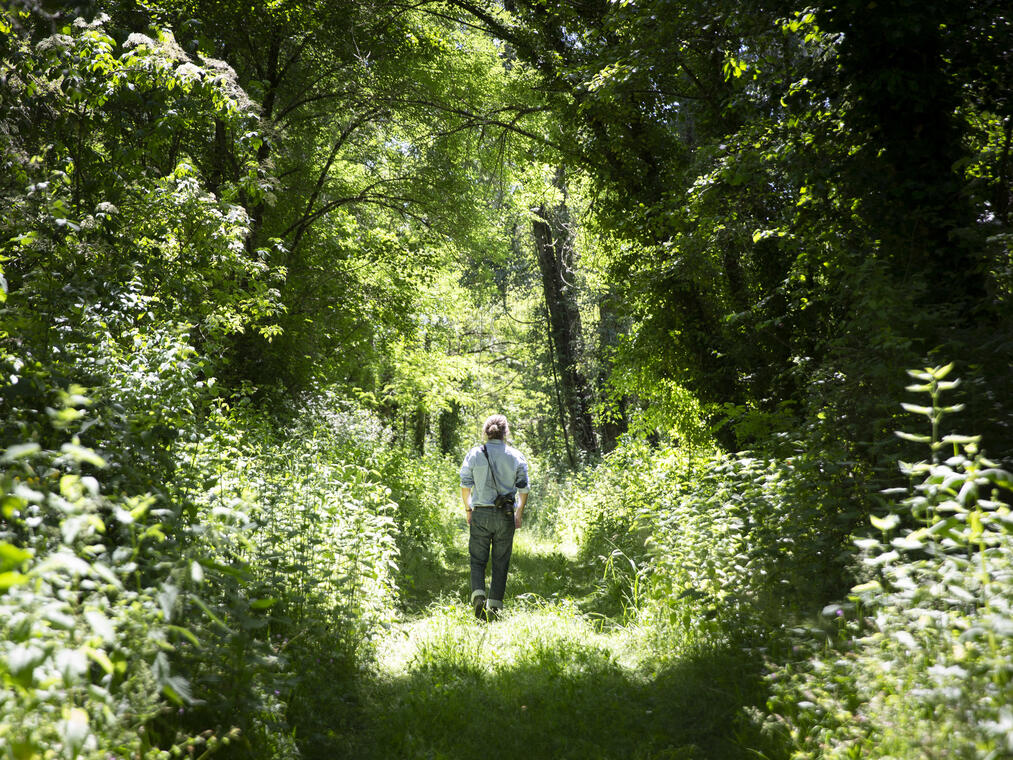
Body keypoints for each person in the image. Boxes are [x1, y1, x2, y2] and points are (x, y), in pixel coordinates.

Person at [459, 414, 530, 621]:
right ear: (505, 432)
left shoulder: (474, 454)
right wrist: (519, 512)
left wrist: (468, 510)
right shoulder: (516, 456)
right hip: (505, 514)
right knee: (501, 562)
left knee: (477, 560)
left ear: (486, 432)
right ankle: (495, 608)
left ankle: (478, 594)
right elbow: (524, 488)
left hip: (480, 512)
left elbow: (465, 486)